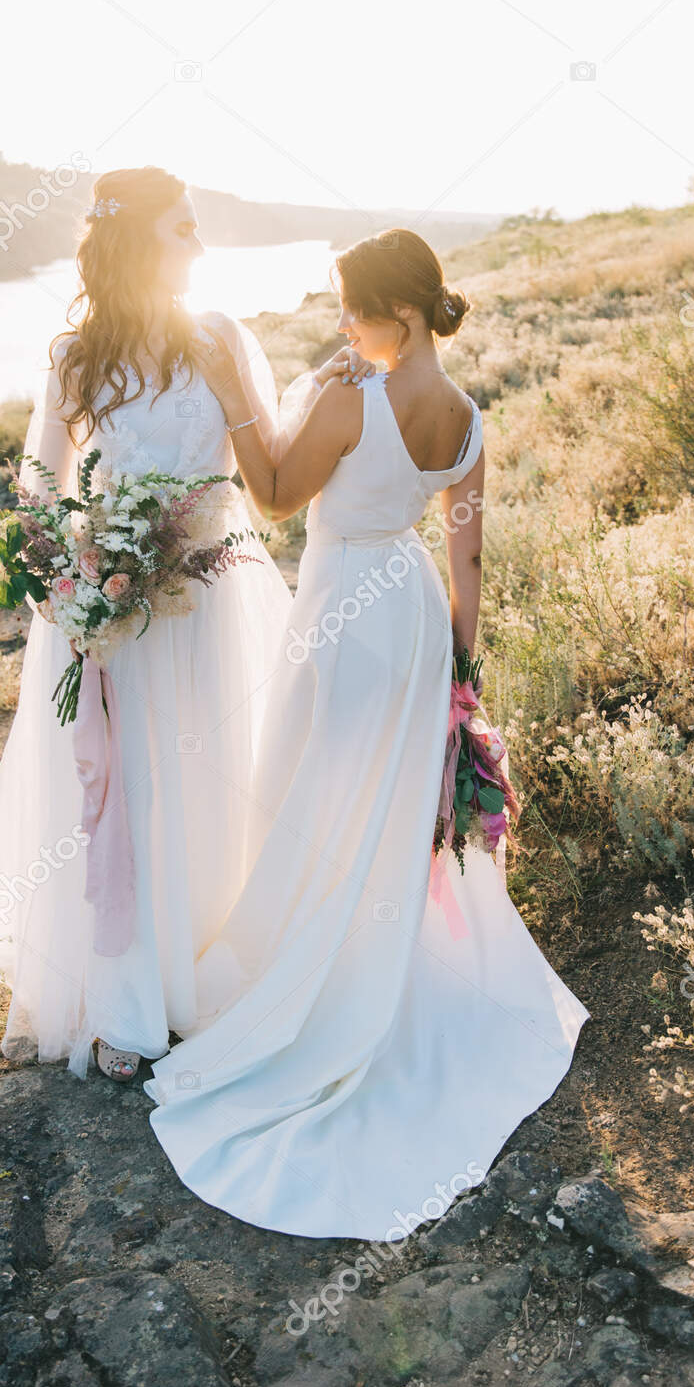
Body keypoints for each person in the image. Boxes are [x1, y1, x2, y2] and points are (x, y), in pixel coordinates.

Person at [145, 228, 590, 1241]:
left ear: (396, 315)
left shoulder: (352, 397)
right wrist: (461, 678)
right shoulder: (467, 417)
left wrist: (239, 392)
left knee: (311, 793)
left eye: (352, 309)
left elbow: (269, 491)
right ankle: (368, 946)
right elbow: (467, 562)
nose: (342, 324)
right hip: (416, 617)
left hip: (342, 609)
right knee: (383, 805)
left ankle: (320, 969)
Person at [0, 167, 366, 1083]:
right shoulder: (73, 358)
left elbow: (270, 487)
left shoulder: (219, 336)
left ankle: (205, 967)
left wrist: (335, 391)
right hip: (112, 612)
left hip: (207, 602)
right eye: (183, 230)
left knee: (212, 781)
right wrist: (75, 576)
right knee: (125, 796)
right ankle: (127, 1000)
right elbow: (42, 483)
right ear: (139, 243)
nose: (201, 246)